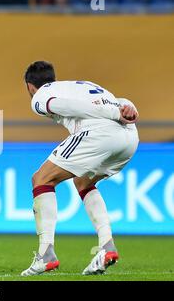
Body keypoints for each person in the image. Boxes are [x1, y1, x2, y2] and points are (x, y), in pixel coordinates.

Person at [20, 61, 139, 276]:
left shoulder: (40, 97)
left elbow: (71, 107)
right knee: (83, 181)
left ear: (29, 86)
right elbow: (120, 101)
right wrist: (128, 108)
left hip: (100, 133)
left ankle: (46, 254)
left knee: (41, 179)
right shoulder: (81, 85)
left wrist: (113, 113)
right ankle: (106, 247)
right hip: (129, 137)